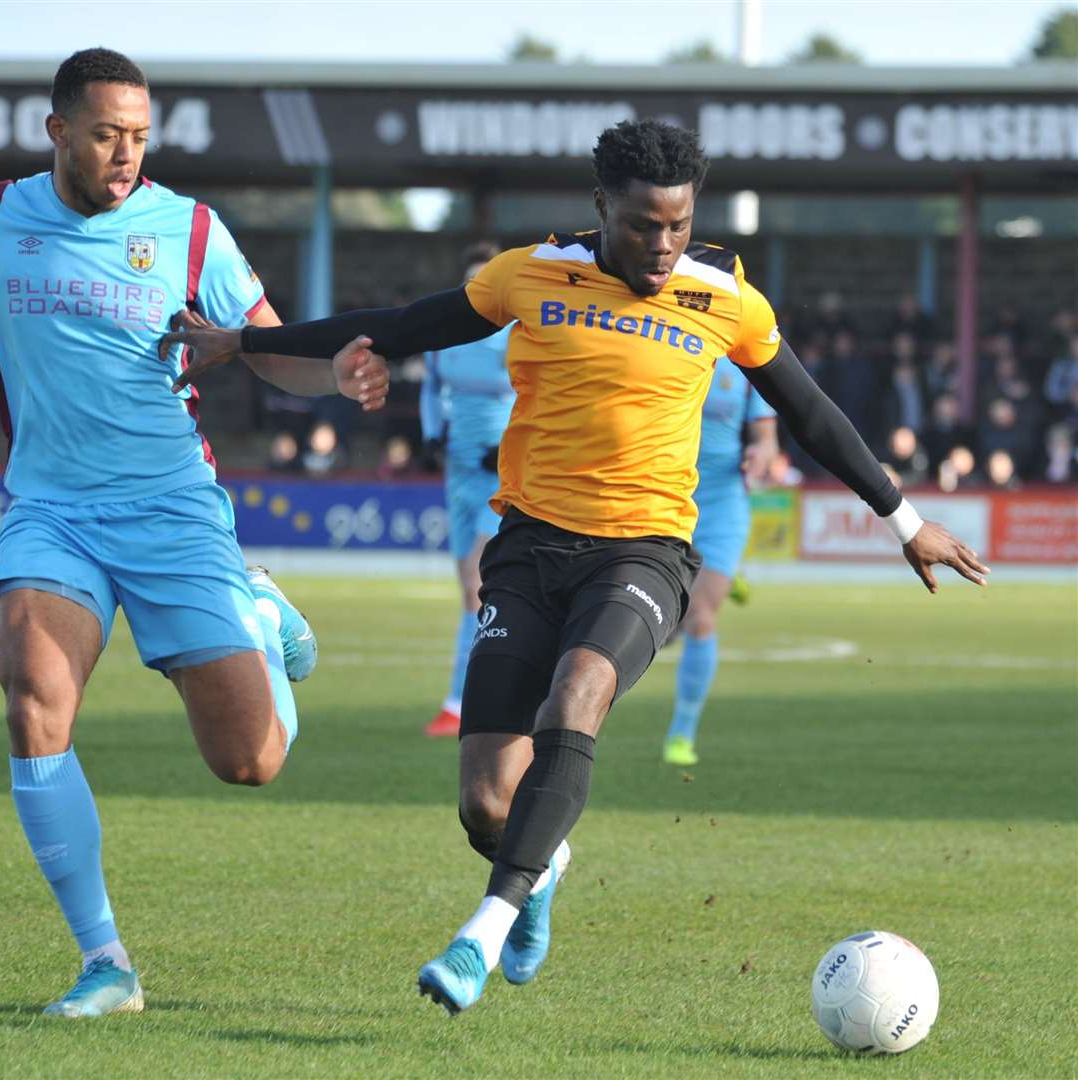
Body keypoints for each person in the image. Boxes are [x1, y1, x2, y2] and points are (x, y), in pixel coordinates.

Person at [161, 118, 989, 1018]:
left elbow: (810, 410)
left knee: (577, 696)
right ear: (603, 208)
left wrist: (902, 519)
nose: (663, 246)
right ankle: (541, 867)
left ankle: (479, 932)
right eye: (643, 225)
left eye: (677, 224)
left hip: (647, 554)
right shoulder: (529, 274)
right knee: (486, 803)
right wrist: (240, 343)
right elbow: (401, 327)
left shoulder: (725, 298)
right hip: (527, 550)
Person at [0, 47, 389, 1019]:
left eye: (139, 136)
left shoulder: (191, 231)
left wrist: (332, 373)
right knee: (33, 698)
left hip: (174, 512)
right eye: (105, 135)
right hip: (52, 511)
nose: (125, 154)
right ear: (58, 132)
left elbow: (267, 348)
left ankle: (253, 609)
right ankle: (107, 964)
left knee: (250, 761)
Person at [419, 242, 515, 737]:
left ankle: (461, 703)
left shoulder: (517, 334)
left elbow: (537, 395)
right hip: (459, 472)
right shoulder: (449, 337)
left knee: (481, 585)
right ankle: (468, 700)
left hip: (505, 473)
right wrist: (433, 435)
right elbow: (430, 389)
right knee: (469, 596)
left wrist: (506, 447)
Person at [661, 357, 777, 767]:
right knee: (666, 621)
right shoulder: (662, 341)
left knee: (699, 614)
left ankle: (681, 733)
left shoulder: (745, 362)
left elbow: (767, 439)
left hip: (722, 502)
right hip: (663, 497)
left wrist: (760, 454)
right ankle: (727, 575)